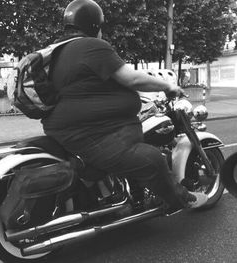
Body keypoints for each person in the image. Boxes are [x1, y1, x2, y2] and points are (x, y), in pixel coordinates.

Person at [41, 0, 208, 213]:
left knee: (133, 152)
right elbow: (132, 80)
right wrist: (168, 86)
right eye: (101, 26)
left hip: (70, 130)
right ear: (94, 25)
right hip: (90, 135)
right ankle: (181, 199)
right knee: (151, 158)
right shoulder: (91, 46)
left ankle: (131, 195)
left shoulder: (58, 51)